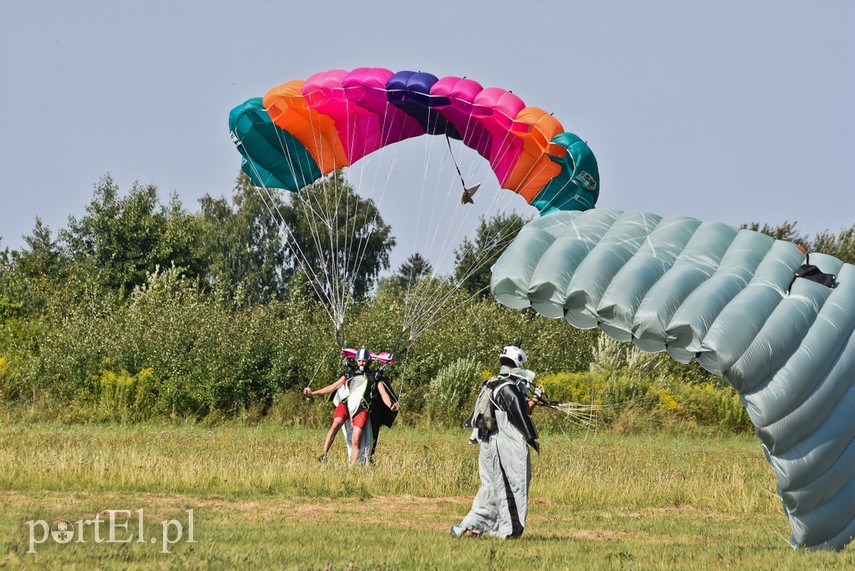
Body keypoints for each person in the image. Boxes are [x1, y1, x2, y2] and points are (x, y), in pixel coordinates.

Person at [451, 342, 541, 539]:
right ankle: (509, 531)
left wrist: (532, 399)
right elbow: (520, 414)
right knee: (510, 486)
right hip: (502, 447)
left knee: (491, 487)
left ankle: (472, 526)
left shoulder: (491, 382)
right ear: (517, 361)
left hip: (487, 444)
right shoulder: (508, 388)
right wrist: (531, 438)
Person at [304, 347, 376, 465]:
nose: (361, 363)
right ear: (356, 360)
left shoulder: (372, 377)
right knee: (335, 425)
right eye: (359, 360)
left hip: (360, 407)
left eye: (364, 361)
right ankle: (324, 454)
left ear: (368, 361)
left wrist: (391, 405)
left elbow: (382, 393)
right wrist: (313, 393)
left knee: (356, 437)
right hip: (346, 404)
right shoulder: (349, 374)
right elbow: (332, 387)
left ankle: (353, 464)